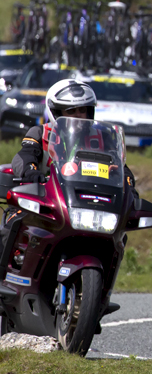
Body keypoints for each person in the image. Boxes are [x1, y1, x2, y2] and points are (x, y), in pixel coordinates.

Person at [1, 80, 136, 277]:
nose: (78, 116)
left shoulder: (103, 138)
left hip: (84, 202)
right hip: (43, 200)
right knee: (10, 224)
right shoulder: (41, 133)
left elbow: (123, 170)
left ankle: (102, 285)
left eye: (83, 110)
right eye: (70, 111)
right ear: (55, 112)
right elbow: (24, 157)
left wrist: (128, 186)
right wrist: (31, 173)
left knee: (118, 234)